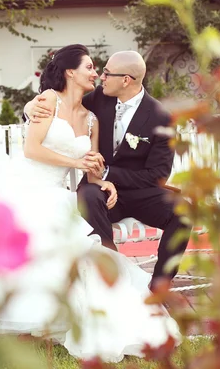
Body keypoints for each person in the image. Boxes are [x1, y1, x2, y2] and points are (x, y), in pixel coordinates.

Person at [0, 44, 180, 362]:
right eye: (90, 67)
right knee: (15, 248)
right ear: (70, 72)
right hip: (21, 184)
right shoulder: (48, 101)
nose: (96, 72)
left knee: (64, 249)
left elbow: (89, 170)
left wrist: (103, 181)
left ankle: (29, 324)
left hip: (55, 190)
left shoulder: (92, 119)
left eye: (99, 69)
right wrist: (35, 110)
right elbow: (32, 149)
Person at [24, 51, 191, 290]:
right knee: (89, 196)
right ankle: (110, 272)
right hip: (99, 191)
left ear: (126, 80)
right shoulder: (98, 99)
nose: (101, 77)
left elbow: (157, 175)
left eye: (107, 73)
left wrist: (107, 174)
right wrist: (30, 107)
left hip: (140, 192)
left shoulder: (161, 118)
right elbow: (62, 104)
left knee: (183, 212)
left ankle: (159, 285)